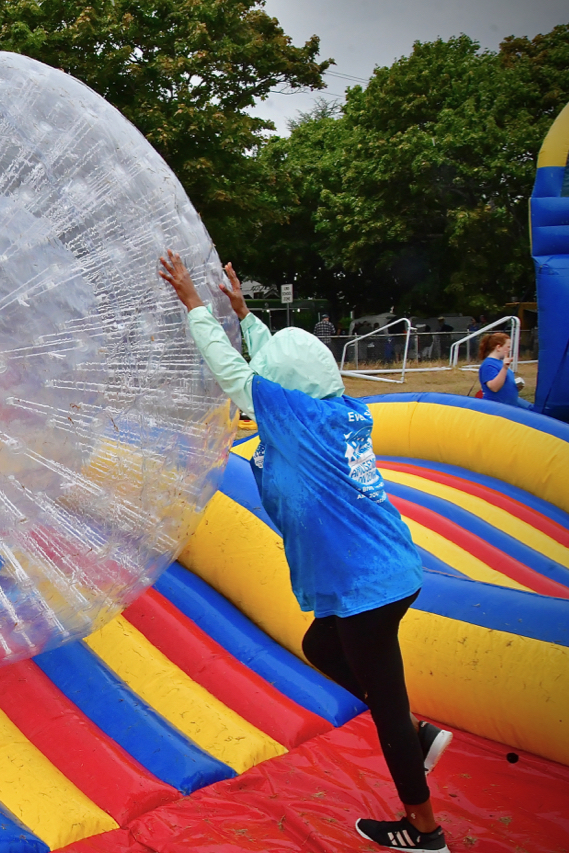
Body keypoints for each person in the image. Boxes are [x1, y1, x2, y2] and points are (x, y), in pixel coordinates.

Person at [158, 250, 453, 853]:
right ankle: (412, 736)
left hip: (367, 584)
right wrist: (244, 312)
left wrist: (194, 304)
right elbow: (277, 366)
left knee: (387, 707)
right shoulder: (330, 410)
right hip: (388, 570)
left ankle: (425, 832)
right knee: (322, 644)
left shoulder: (291, 417)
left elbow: (238, 377)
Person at [478, 333, 531, 409]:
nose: (510, 349)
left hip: (508, 406)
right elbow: (494, 387)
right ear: (498, 347)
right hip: (496, 408)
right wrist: (504, 368)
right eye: (508, 347)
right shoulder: (489, 364)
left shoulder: (500, 362)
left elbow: (503, 382)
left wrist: (514, 386)